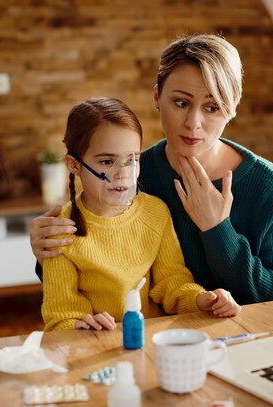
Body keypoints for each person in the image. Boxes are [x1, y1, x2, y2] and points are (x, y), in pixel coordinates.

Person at [31, 34, 273, 306]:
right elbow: (86, 280)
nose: (194, 123)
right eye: (181, 103)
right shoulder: (131, 174)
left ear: (232, 109)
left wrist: (218, 230)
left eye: (212, 107)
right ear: (157, 96)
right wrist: (47, 250)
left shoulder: (265, 183)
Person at [42, 96, 241, 332]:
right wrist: (79, 327)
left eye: (132, 159)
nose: (122, 174)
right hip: (94, 351)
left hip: (147, 342)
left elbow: (172, 282)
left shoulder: (155, 213)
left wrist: (202, 300)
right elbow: (60, 317)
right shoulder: (61, 232)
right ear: (75, 165)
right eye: (107, 161)